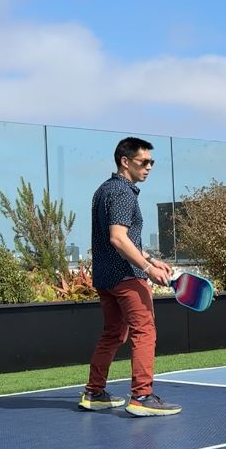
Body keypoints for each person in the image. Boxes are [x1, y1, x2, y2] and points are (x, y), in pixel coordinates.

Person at [79, 137, 183, 416]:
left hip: (105, 278)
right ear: (125, 162)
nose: (149, 167)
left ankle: (94, 392)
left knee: (113, 333)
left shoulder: (104, 190)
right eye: (144, 162)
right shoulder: (124, 193)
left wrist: (150, 258)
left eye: (152, 162)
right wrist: (147, 270)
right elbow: (117, 238)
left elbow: (122, 239)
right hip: (126, 277)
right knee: (144, 331)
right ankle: (142, 396)